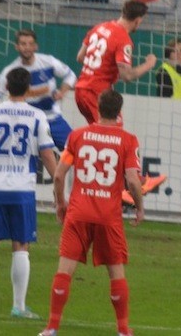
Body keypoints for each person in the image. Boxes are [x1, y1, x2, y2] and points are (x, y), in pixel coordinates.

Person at [38, 90, 144, 336]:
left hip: (78, 212)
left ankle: (51, 328)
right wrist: (139, 207)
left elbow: (58, 175)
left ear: (97, 107)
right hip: (109, 216)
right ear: (119, 112)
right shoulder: (128, 140)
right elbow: (133, 181)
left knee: (64, 271)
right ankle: (123, 330)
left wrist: (60, 203)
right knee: (116, 272)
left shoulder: (78, 136)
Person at [0, 67, 58, 319]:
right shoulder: (37, 115)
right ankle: (18, 306)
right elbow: (47, 154)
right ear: (29, 89)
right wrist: (58, 184)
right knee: (21, 245)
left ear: (7, 87)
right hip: (22, 190)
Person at [0, 29, 76, 151]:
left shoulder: (48, 62)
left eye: (30, 44)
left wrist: (62, 91)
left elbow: (70, 75)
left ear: (36, 46)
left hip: (51, 119)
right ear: (17, 47)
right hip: (25, 121)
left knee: (75, 149)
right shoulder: (10, 71)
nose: (27, 48)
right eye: (23, 44)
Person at [74, 0, 156, 125]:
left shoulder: (99, 27)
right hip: (97, 93)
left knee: (98, 133)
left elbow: (80, 57)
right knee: (113, 133)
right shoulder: (123, 39)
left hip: (80, 90)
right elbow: (127, 76)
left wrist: (99, 67)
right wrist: (148, 64)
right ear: (138, 20)